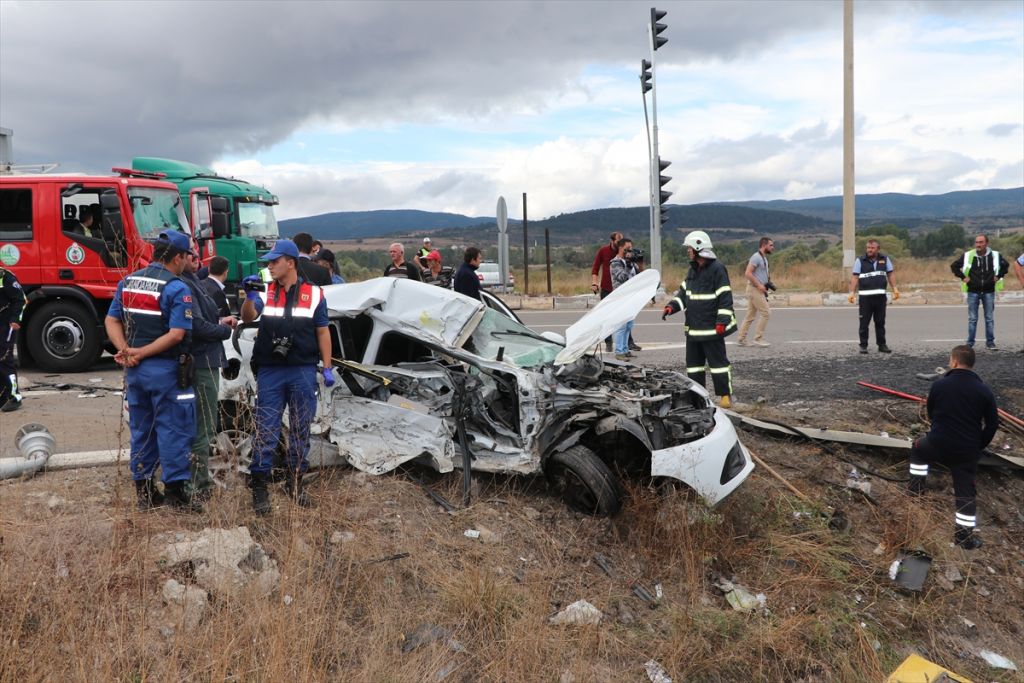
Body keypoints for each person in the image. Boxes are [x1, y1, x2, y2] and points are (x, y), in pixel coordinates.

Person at [104, 230, 201, 512]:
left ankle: (145, 492)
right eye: (187, 256)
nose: (187, 262)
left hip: (135, 372)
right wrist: (140, 352)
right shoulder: (176, 288)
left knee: (142, 429)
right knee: (174, 429)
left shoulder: (129, 282)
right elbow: (176, 334)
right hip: (166, 371)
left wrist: (125, 350)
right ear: (178, 257)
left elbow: (111, 320)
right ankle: (176, 493)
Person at [240, 239, 333, 516]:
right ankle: (259, 489)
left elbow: (323, 331)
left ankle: (295, 484)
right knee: (265, 429)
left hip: (302, 369)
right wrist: (247, 297)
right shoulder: (265, 291)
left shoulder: (315, 294)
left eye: (274, 261)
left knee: (300, 429)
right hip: (271, 369)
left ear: (290, 262)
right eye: (268, 262)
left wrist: (326, 367)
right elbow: (248, 316)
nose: (269, 265)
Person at [907, 345, 997, 550]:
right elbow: (992, 424)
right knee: (965, 492)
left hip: (937, 443)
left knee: (918, 451)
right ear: (972, 365)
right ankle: (964, 538)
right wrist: (979, 445)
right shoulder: (984, 390)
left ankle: (915, 494)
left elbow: (931, 412)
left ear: (954, 362)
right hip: (966, 451)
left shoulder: (940, 385)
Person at [181, 242, 237, 500]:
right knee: (203, 426)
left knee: (204, 424)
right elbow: (196, 326)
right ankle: (198, 485)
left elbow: (202, 321)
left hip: (205, 359)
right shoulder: (184, 284)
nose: (197, 257)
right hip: (202, 361)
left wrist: (217, 321)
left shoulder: (192, 280)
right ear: (179, 256)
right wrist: (224, 330)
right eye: (191, 253)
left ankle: (195, 482)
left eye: (196, 252)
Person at [662, 231, 736, 408]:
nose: (688, 251)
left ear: (697, 247)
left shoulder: (717, 269)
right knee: (694, 367)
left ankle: (725, 396)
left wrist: (722, 322)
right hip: (694, 330)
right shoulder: (692, 269)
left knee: (719, 366)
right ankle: (698, 398)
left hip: (712, 330)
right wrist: (672, 306)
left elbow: (725, 297)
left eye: (689, 248)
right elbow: (683, 294)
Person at [951, 234, 1009, 350]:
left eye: (981, 242)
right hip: (973, 291)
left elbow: (1005, 266)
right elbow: (954, 266)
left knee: (989, 318)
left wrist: (998, 276)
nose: (978, 244)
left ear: (986, 243)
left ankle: (990, 343)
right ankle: (970, 343)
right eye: (977, 242)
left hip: (989, 291)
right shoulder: (968, 255)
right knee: (972, 319)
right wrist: (963, 277)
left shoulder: (995, 255)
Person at [849, 239, 898, 354]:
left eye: (872, 248)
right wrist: (851, 292)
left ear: (878, 249)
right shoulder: (860, 260)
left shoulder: (885, 259)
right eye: (868, 248)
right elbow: (855, 277)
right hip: (865, 298)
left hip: (880, 297)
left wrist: (895, 289)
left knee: (880, 322)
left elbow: (890, 274)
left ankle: (882, 345)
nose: (869, 250)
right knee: (864, 323)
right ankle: (863, 345)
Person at [736, 237, 775, 347]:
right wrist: (759, 285)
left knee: (750, 315)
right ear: (764, 245)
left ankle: (741, 339)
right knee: (766, 313)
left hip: (757, 289)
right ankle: (758, 338)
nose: (773, 247)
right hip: (754, 289)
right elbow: (748, 273)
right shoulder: (756, 257)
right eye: (771, 245)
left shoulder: (764, 258)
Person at [0, 264, 27, 412]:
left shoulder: (5, 276)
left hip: (5, 325)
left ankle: (13, 397)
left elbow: (20, 299)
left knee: (4, 359)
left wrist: (15, 319)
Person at [591, 232, 623, 352]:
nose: (619, 245)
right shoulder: (603, 251)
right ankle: (608, 343)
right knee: (606, 317)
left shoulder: (623, 252)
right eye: (617, 242)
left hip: (621, 289)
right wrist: (594, 283)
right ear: (611, 241)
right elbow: (595, 268)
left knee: (623, 316)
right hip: (606, 288)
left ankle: (629, 342)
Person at [609, 237, 637, 361]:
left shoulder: (628, 262)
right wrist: (629, 264)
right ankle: (619, 351)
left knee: (629, 325)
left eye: (631, 248)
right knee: (621, 326)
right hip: (620, 297)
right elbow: (622, 277)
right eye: (627, 248)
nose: (630, 251)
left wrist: (636, 261)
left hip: (630, 297)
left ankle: (625, 349)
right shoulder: (615, 263)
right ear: (621, 248)